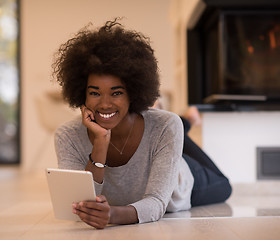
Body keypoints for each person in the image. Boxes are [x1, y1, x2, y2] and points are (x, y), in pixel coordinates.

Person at [52, 19, 232, 229]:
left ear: (133, 93)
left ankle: (183, 124)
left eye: (116, 92)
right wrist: (101, 142)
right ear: (82, 93)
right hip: (159, 131)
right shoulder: (68, 136)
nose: (105, 103)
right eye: (94, 93)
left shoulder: (163, 126)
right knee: (168, 123)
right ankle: (183, 122)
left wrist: (112, 215)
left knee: (224, 187)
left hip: (179, 183)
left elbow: (157, 203)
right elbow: (81, 204)